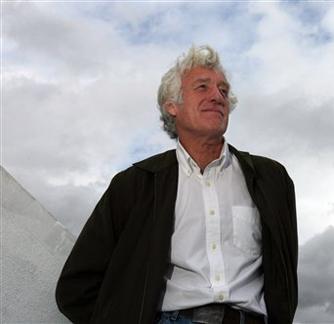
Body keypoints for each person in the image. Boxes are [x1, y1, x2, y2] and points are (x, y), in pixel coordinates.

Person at [56, 45, 298, 324]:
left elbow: (285, 277)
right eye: (202, 87)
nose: (217, 96)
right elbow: (76, 287)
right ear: (172, 105)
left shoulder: (271, 179)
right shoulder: (136, 184)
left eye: (223, 89)